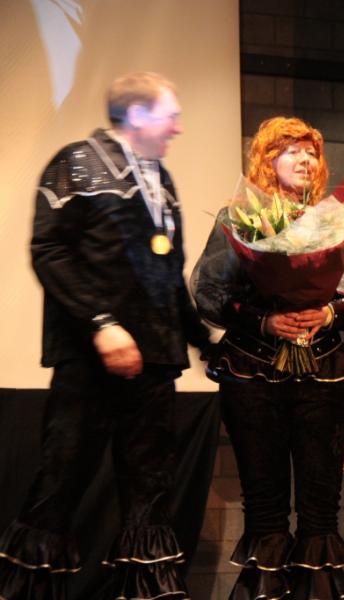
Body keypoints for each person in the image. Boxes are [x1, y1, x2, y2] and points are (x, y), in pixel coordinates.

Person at [0, 71, 210, 600]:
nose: (179, 127)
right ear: (136, 115)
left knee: (149, 497)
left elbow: (168, 275)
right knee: (60, 486)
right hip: (89, 363)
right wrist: (102, 323)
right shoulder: (77, 161)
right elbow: (50, 252)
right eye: (170, 115)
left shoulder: (161, 178)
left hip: (154, 365)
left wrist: (207, 342)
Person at [191, 116, 344, 600]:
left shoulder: (333, 220)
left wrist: (328, 312)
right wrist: (265, 321)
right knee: (264, 506)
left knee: (322, 507)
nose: (305, 159)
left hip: (323, 371)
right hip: (253, 371)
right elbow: (209, 293)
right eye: (292, 151)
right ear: (267, 160)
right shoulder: (237, 218)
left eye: (311, 151)